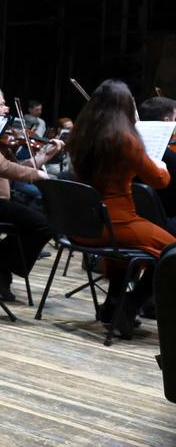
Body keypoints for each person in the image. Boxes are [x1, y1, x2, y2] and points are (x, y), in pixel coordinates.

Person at [69, 81, 173, 337]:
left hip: (81, 224)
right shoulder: (125, 139)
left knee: (127, 252)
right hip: (115, 224)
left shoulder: (80, 135)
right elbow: (159, 181)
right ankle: (130, 305)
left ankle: (111, 305)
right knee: (172, 253)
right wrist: (161, 166)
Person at [0, 86, 63, 305]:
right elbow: (2, 168)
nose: (7, 108)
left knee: (42, 222)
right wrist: (36, 174)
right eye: (2, 104)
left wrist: (45, 156)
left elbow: (15, 167)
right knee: (42, 225)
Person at [139, 96, 176, 226]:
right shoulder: (169, 157)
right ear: (167, 122)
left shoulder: (131, 152)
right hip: (165, 220)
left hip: (140, 216)